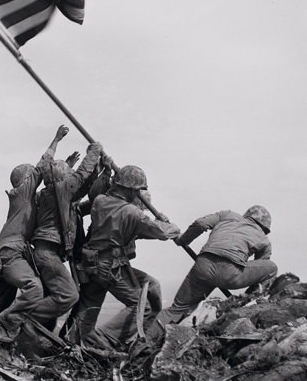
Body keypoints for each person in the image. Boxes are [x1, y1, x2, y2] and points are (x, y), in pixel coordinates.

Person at [72, 165, 181, 347]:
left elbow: (135, 228)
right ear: (130, 189)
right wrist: (171, 225)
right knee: (141, 306)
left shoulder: (100, 201)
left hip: (92, 263)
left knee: (89, 308)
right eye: (137, 190)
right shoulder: (132, 212)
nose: (137, 194)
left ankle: (74, 341)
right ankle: (105, 339)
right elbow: (162, 232)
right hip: (111, 265)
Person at [0, 125, 70, 342]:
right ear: (25, 180)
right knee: (34, 288)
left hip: (7, 252)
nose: (35, 180)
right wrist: (56, 139)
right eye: (32, 177)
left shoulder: (26, 199)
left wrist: (66, 168)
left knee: (2, 300)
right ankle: (4, 327)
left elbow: (51, 184)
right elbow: (42, 167)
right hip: (12, 252)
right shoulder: (22, 193)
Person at [146, 205, 278, 344]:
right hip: (230, 274)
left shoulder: (228, 215)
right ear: (264, 227)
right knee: (271, 268)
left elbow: (201, 223)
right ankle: (249, 304)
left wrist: (183, 240)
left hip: (202, 267)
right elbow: (260, 271)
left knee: (175, 310)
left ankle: (145, 343)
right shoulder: (264, 239)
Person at [27, 140, 104, 330]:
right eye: (68, 176)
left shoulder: (50, 194)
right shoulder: (60, 191)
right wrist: (94, 151)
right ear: (63, 179)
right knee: (69, 295)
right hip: (47, 253)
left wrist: (99, 170)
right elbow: (81, 176)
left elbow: (82, 187)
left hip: (46, 253)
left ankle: (33, 337)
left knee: (51, 298)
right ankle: (22, 319)